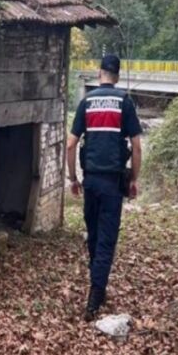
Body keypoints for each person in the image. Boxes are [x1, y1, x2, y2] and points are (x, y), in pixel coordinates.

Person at [66, 55, 142, 320]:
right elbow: (136, 146)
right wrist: (133, 179)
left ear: (100, 74)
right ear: (117, 76)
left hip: (90, 181)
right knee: (106, 239)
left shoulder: (86, 102)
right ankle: (95, 295)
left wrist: (73, 178)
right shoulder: (124, 102)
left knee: (95, 235)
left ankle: (97, 285)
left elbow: (71, 144)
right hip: (112, 183)